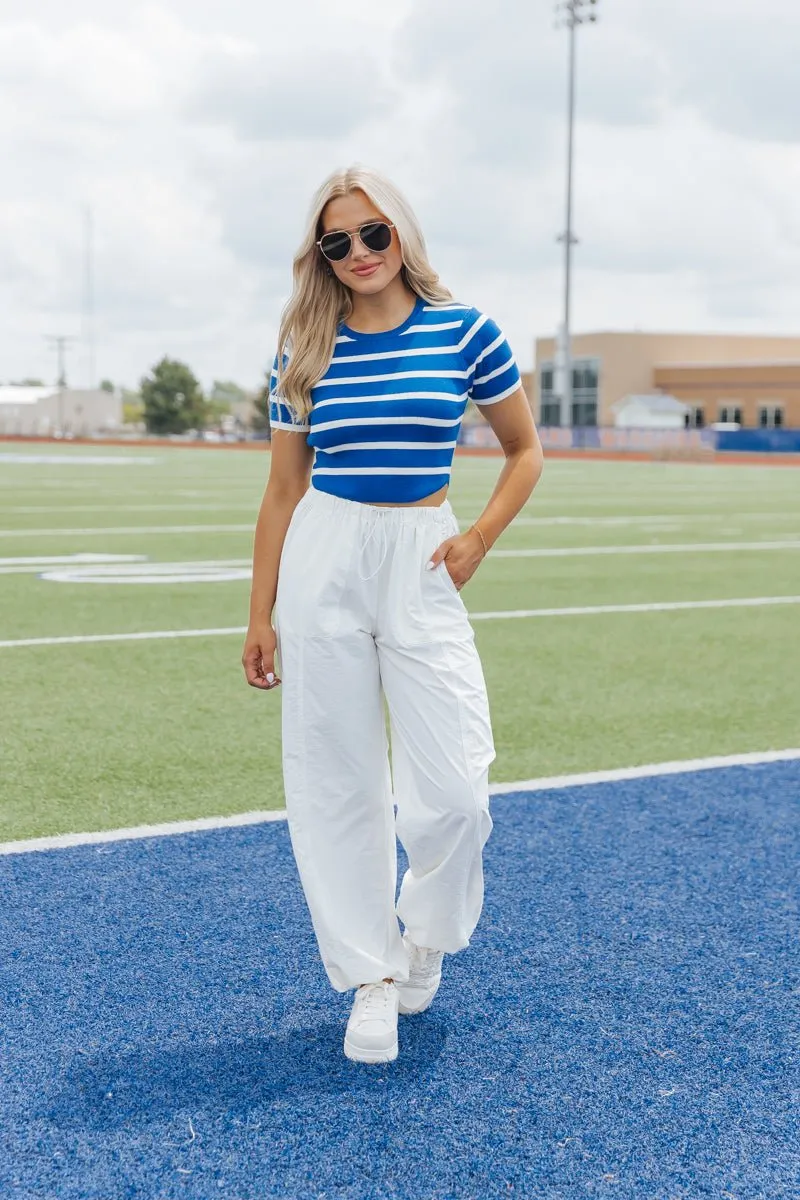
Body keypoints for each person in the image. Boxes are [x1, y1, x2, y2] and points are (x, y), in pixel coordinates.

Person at [242, 165, 543, 1064]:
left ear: (403, 234)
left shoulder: (466, 332)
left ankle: (425, 938)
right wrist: (259, 615)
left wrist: (480, 537)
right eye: (338, 241)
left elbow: (525, 451)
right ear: (321, 255)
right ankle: (370, 976)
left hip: (423, 554)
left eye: (374, 233)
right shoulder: (304, 347)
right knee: (337, 778)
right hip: (324, 556)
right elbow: (283, 489)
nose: (360, 253)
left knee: (454, 792)